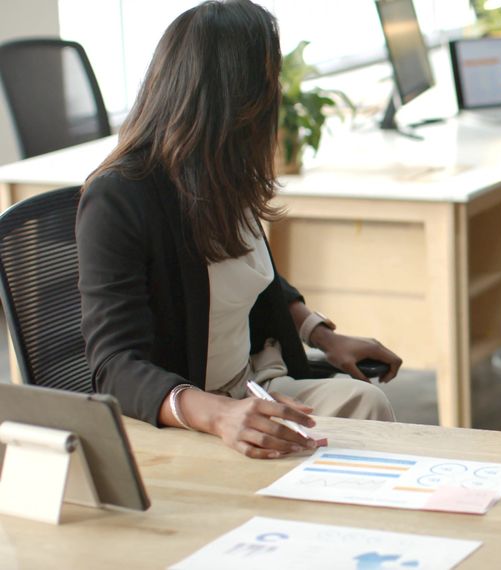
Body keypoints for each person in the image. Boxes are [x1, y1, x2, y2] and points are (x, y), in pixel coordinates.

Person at [77, 0, 403, 460]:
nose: (279, 93)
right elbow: (114, 366)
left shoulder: (221, 171)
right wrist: (219, 414)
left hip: (250, 385)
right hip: (190, 412)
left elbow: (253, 273)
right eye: (270, 79)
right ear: (239, 96)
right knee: (350, 434)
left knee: (365, 403)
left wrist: (323, 336)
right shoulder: (120, 198)